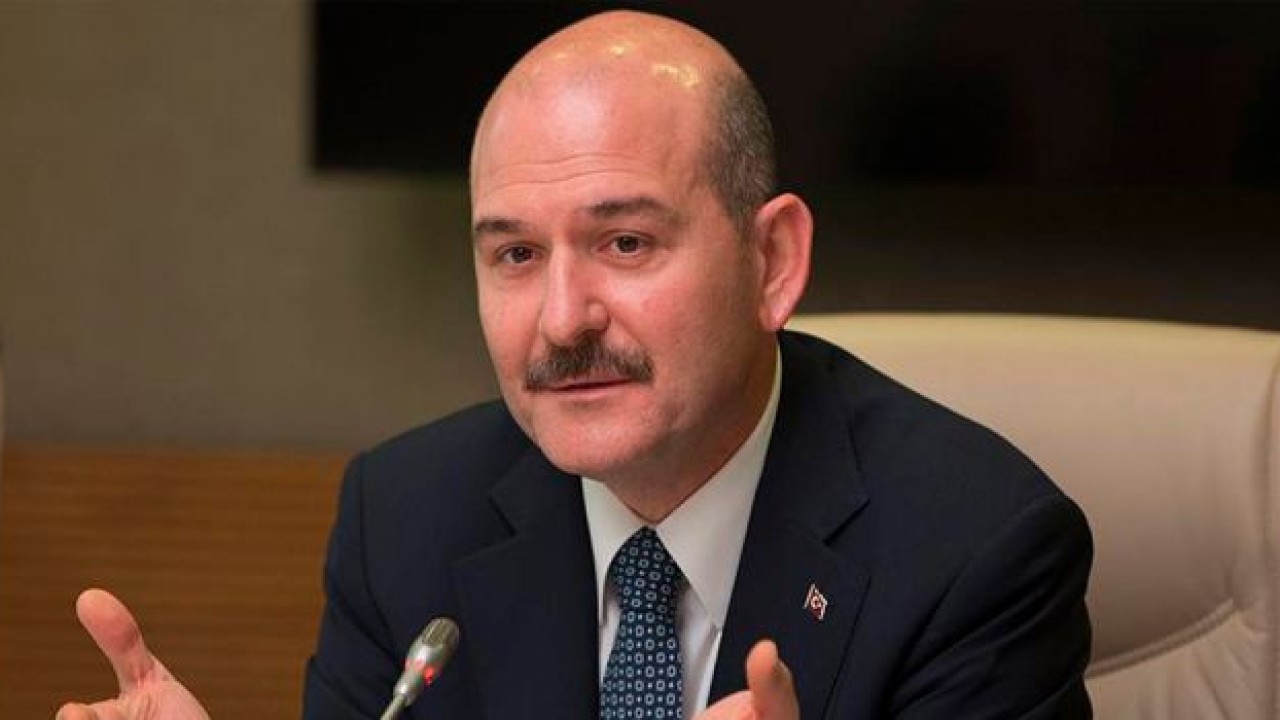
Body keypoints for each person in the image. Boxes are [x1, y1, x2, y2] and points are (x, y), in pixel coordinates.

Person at [58, 9, 1092, 720]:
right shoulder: (403, 521)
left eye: (624, 243)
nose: (561, 320)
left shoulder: (972, 549)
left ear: (772, 261)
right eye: (515, 255)